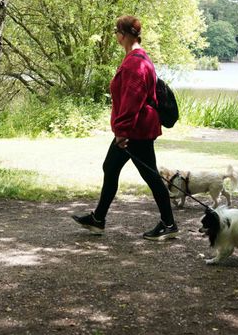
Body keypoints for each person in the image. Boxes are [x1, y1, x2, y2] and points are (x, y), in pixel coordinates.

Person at [72, 15, 178, 240]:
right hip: (137, 128)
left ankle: (168, 224)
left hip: (135, 130)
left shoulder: (135, 63)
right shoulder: (138, 58)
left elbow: (132, 99)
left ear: (122, 35)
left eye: (116, 32)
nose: (115, 36)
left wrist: (121, 131)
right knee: (111, 167)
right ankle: (98, 219)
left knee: (148, 175)